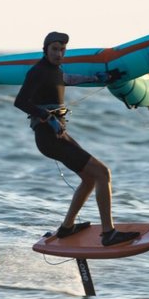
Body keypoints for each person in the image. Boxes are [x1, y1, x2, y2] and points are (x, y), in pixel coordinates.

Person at [14, 31, 138, 247]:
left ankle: (67, 227)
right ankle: (108, 233)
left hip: (58, 135)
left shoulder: (55, 71)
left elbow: (68, 79)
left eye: (62, 50)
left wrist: (100, 79)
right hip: (49, 137)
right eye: (54, 49)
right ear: (46, 49)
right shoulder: (38, 71)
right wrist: (46, 116)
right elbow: (20, 101)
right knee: (103, 173)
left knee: (90, 179)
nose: (59, 53)